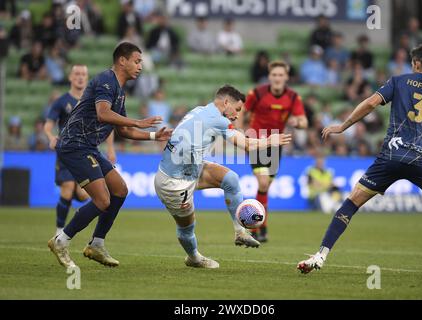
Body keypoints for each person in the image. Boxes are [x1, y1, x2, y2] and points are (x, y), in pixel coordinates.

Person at [297, 44, 422, 274]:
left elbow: (370, 103)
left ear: (415, 64)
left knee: (352, 202)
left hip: (391, 156)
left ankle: (320, 255)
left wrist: (343, 126)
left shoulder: (399, 81)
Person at [47, 42, 173, 269]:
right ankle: (61, 241)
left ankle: (96, 244)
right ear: (122, 61)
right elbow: (103, 114)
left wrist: (155, 136)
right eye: (137, 61)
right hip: (74, 145)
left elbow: (123, 130)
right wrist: (138, 121)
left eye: (141, 62)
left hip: (89, 147)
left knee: (120, 190)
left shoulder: (120, 93)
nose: (140, 66)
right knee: (102, 200)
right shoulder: (106, 80)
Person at [154, 85, 292, 268]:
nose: (236, 115)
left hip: (191, 168)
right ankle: (194, 258)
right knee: (187, 228)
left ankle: (240, 232)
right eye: (237, 109)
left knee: (231, 179)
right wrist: (269, 140)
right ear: (226, 102)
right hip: (174, 182)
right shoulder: (218, 120)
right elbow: (247, 145)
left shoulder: (200, 110)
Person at [44, 64, 116, 237]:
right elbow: (48, 125)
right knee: (67, 188)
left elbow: (107, 124)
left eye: (83, 74)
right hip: (67, 150)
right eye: (76, 73)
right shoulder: (61, 101)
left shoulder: (94, 101)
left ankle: (72, 198)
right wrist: (51, 137)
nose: (80, 77)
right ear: (70, 77)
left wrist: (111, 148)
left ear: (87, 77)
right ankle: (60, 230)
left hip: (87, 151)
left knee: (83, 196)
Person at [244, 61, 308, 242]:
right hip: (257, 140)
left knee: (265, 188)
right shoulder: (257, 93)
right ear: (269, 76)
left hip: (276, 144)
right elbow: (242, 111)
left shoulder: (293, 97)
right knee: (263, 183)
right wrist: (240, 132)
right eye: (274, 75)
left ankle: (260, 227)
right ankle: (256, 225)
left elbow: (303, 121)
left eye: (281, 75)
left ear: (286, 77)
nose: (278, 78)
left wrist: (298, 123)